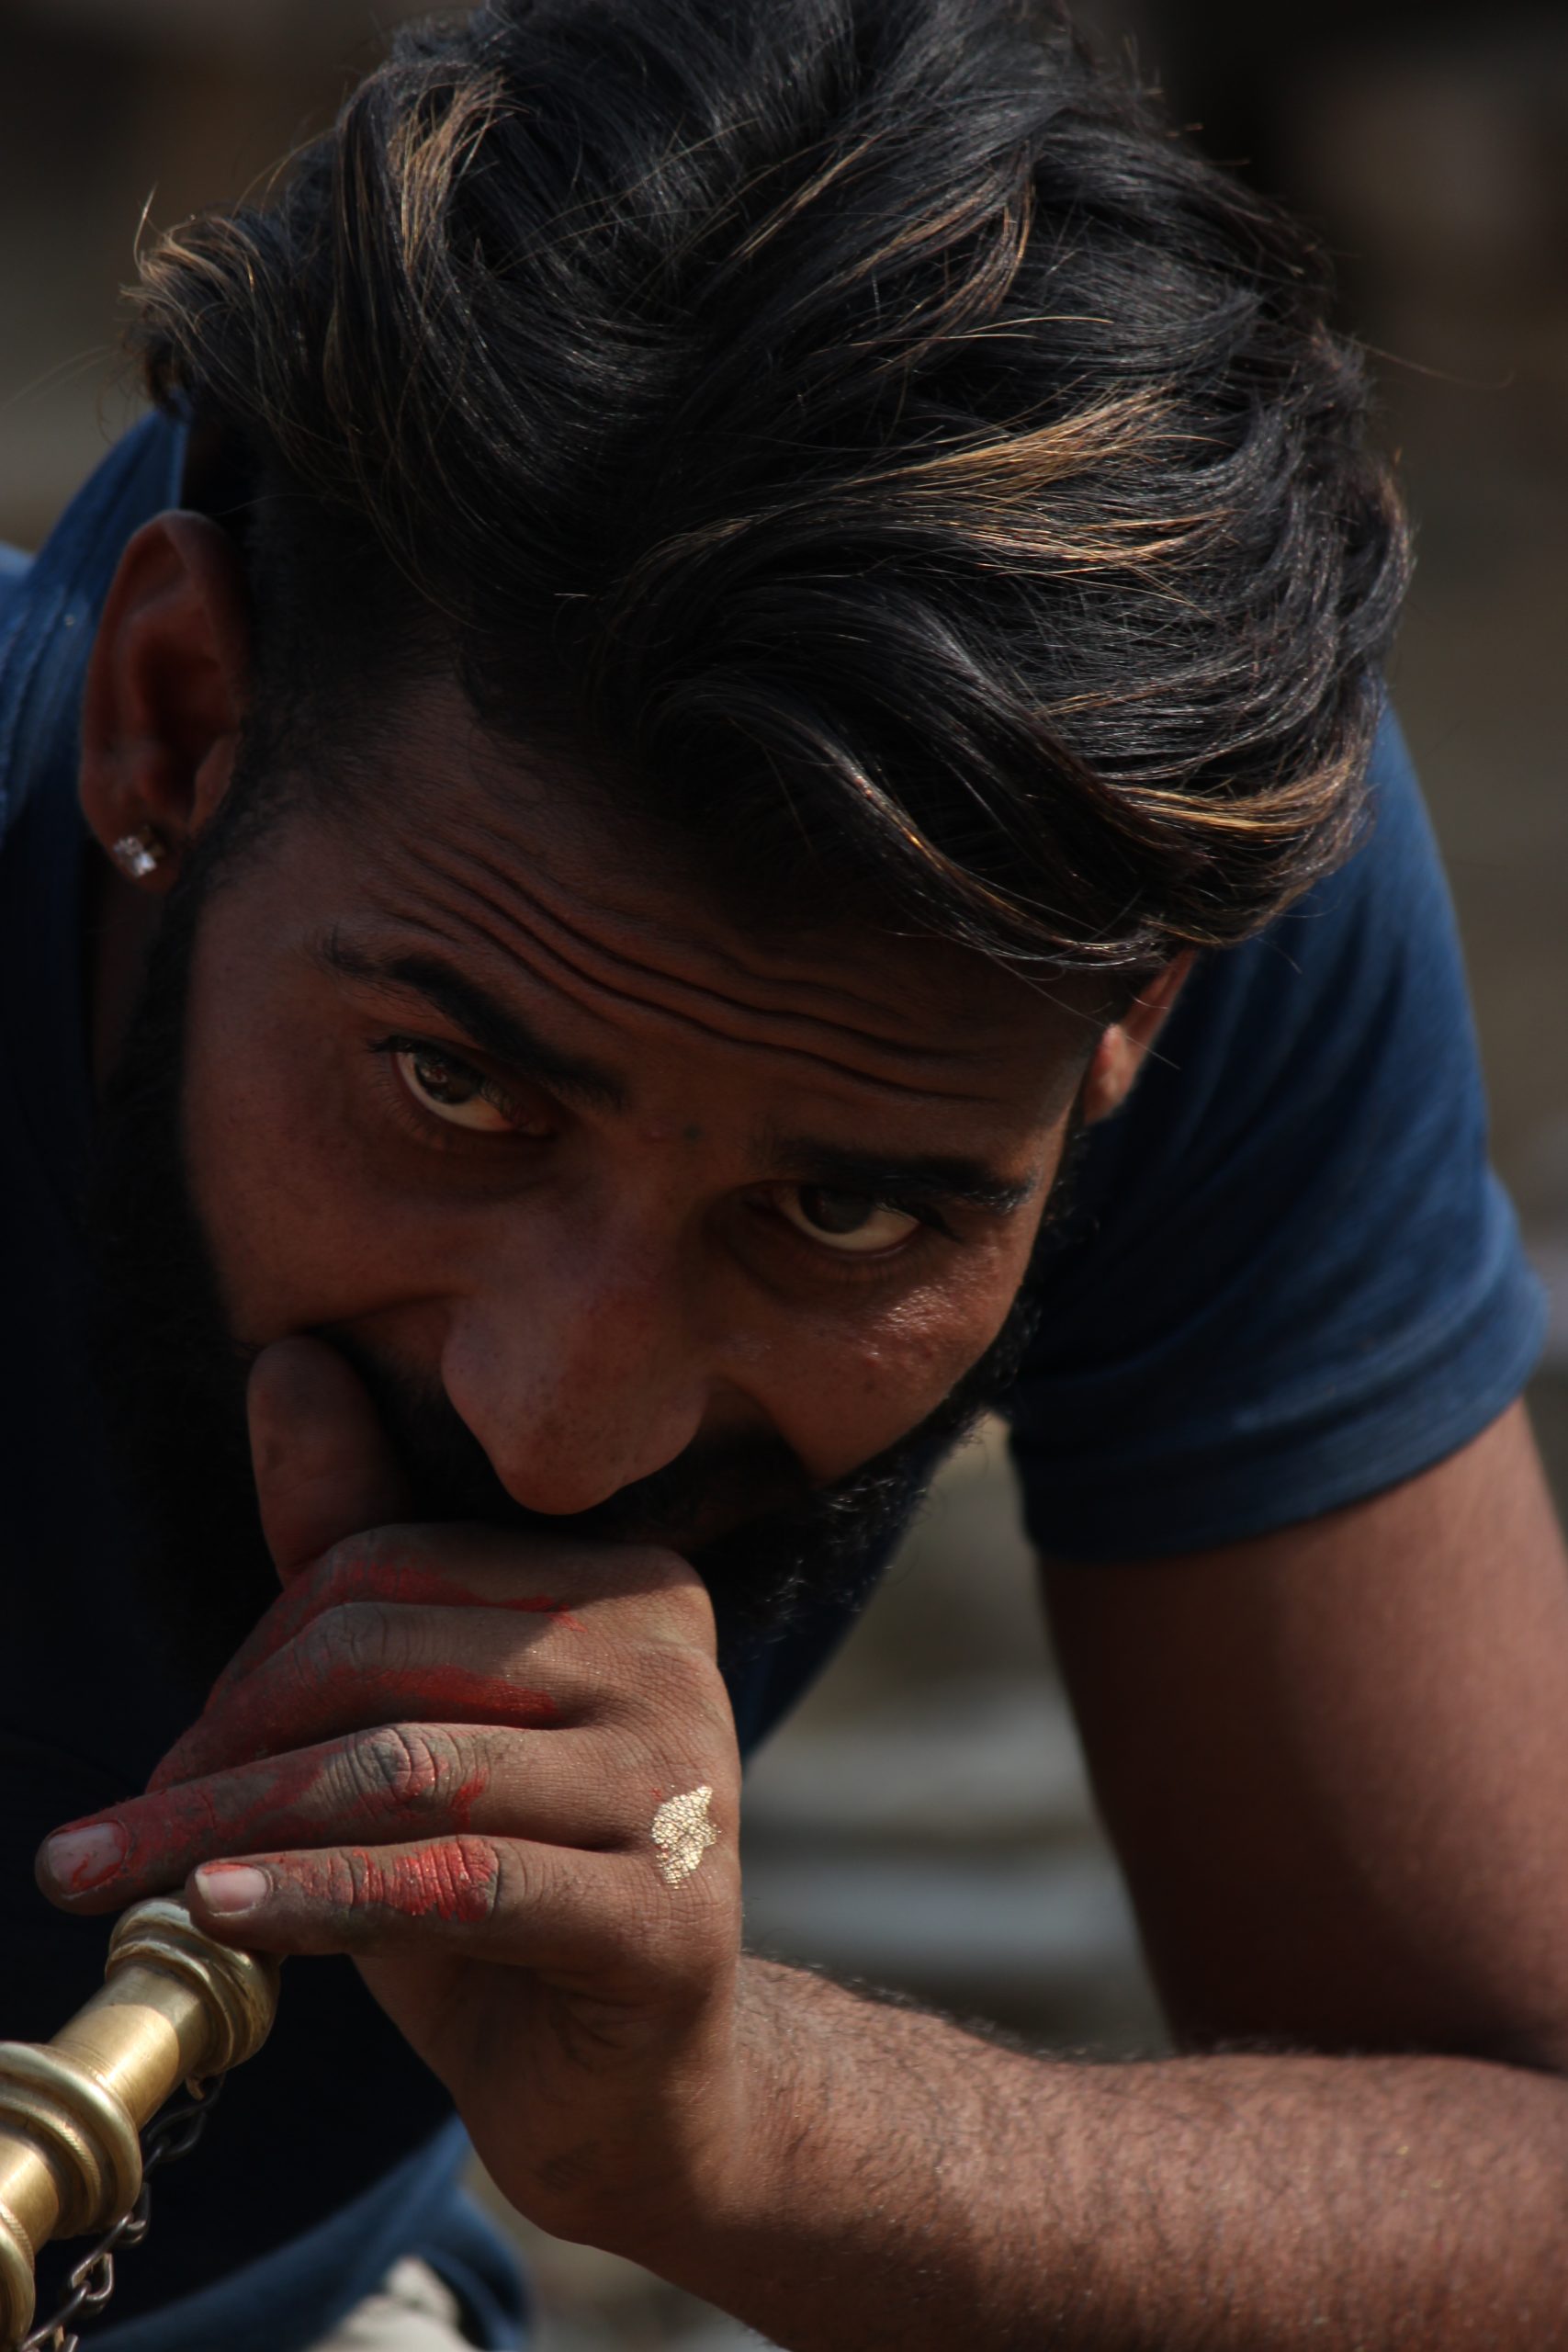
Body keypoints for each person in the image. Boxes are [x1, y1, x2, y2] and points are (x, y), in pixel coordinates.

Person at [3, 0, 1563, 2343]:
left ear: (1131, 1026)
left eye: (840, 1215)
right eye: (451, 1088)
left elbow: (1524, 2159)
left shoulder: (1117, 886)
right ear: (180, 724)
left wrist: (744, 2128)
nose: (566, 1418)